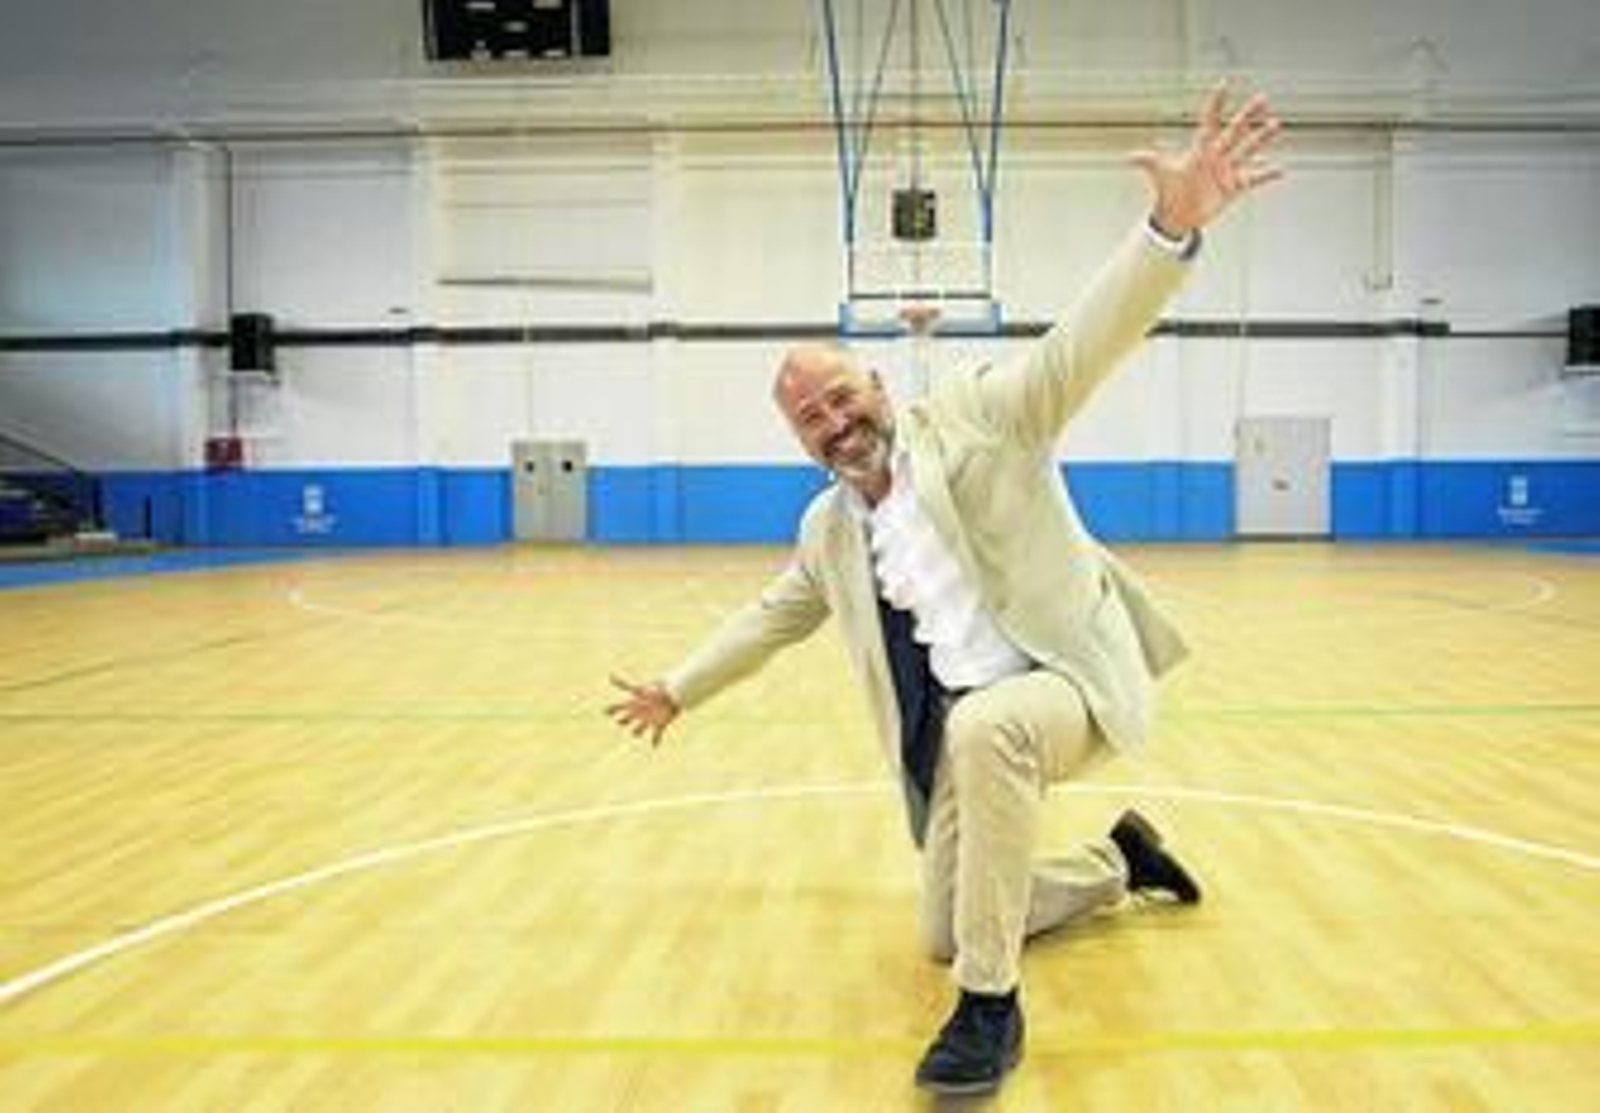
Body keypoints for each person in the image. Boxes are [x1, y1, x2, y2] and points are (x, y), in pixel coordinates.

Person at [607, 84, 1284, 1096]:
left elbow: (1077, 349)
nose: (833, 421)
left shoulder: (979, 417)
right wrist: (677, 688)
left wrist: (1168, 231)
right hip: (972, 733)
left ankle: (989, 1009)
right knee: (942, 926)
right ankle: (1117, 864)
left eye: (840, 395)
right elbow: (768, 620)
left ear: (879, 388)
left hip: (1065, 686)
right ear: (799, 440)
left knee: (985, 735)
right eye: (809, 418)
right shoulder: (829, 530)